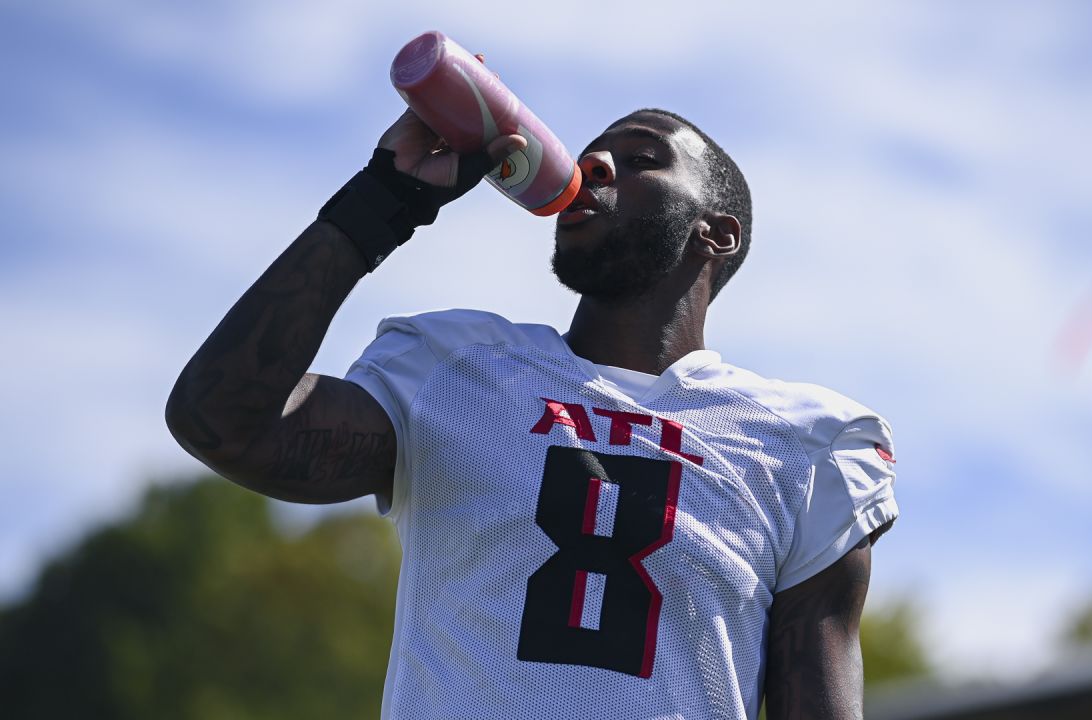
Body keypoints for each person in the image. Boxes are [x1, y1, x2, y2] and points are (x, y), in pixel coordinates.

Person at [166, 96, 898, 720]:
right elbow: (221, 420)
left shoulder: (804, 444)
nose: (597, 166)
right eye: (589, 155)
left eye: (642, 157)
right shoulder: (455, 365)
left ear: (717, 231)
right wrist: (382, 201)